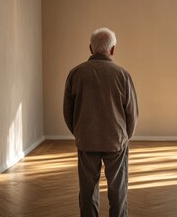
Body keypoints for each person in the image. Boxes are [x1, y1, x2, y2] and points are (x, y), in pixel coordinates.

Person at [63, 27, 139, 217]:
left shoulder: (75, 73)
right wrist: (125, 136)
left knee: (88, 191)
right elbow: (132, 112)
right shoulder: (122, 74)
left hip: (86, 139)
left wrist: (80, 131)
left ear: (90, 48)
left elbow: (67, 111)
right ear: (112, 50)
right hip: (115, 140)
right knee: (118, 189)